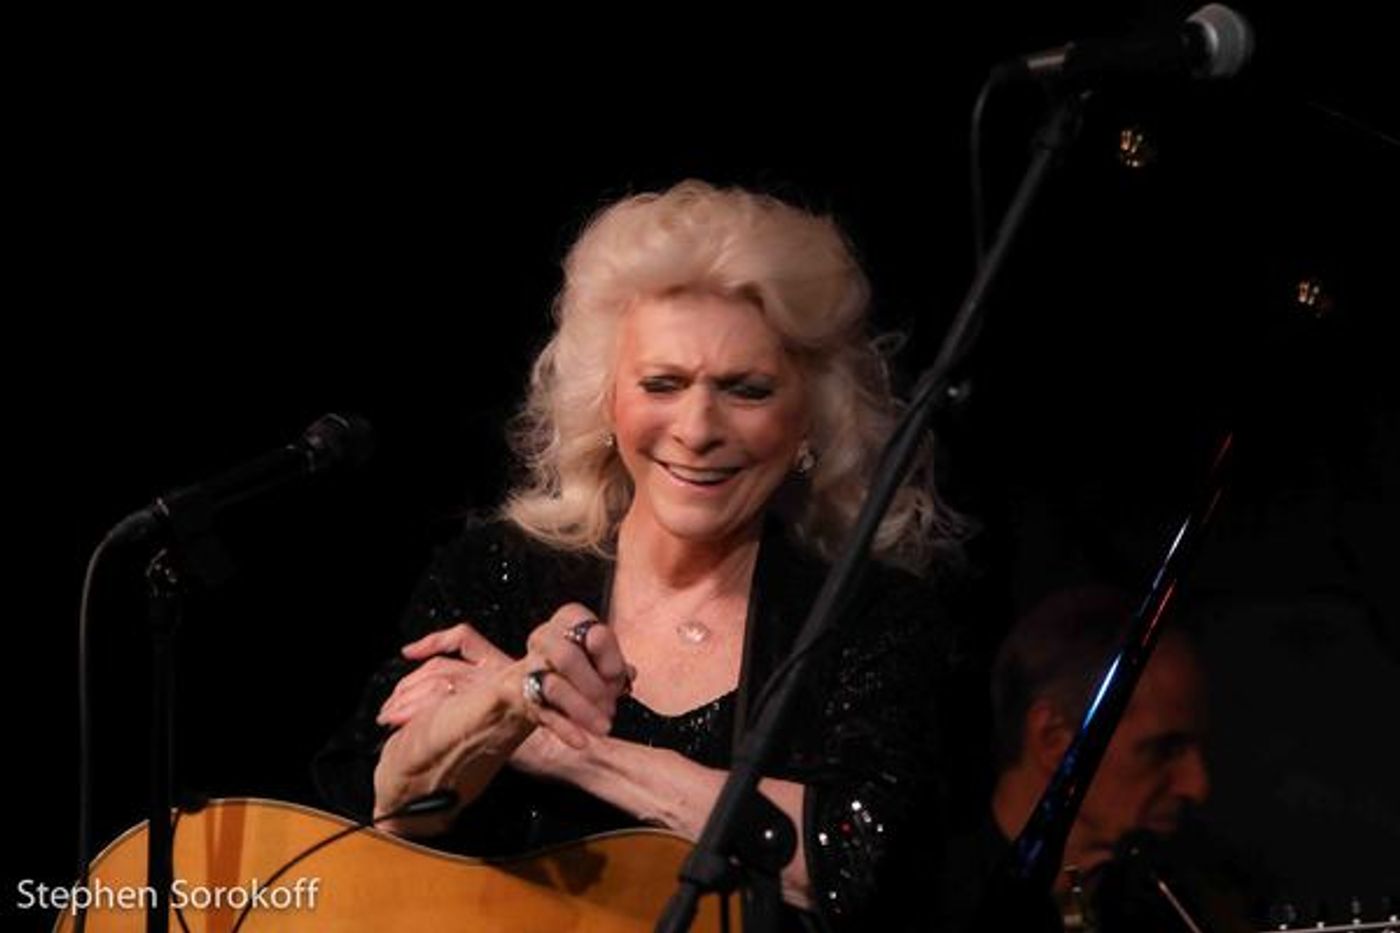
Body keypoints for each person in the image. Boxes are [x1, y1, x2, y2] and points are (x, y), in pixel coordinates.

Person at [314, 180, 970, 929]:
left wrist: (567, 747)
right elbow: (382, 804)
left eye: (745, 390)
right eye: (662, 383)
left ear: (809, 420)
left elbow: (853, 861)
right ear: (608, 402)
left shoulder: (867, 617)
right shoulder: (495, 569)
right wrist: (505, 698)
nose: (696, 427)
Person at [936, 584, 1215, 931]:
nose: (1197, 785)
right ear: (1054, 739)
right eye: (1164, 749)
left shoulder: (1170, 906)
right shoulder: (922, 909)